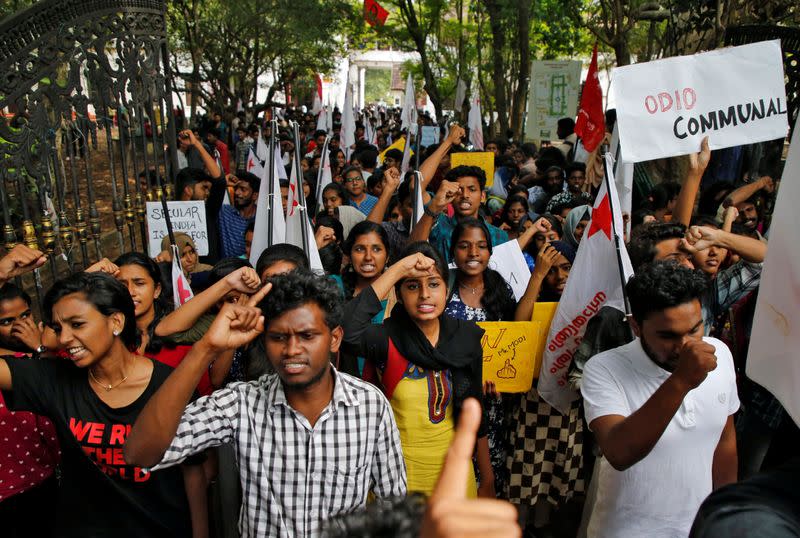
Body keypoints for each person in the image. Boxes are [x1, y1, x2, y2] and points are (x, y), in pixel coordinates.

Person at [123, 270, 407, 537]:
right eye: (278, 337)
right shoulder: (241, 403)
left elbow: (392, 506)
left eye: (307, 336)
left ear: (334, 339)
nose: (292, 350)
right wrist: (206, 348)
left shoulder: (369, 406)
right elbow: (141, 454)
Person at [0, 272, 192, 537]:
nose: (65, 338)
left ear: (115, 321)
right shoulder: (55, 379)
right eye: (58, 328)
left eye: (77, 324)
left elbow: (194, 472)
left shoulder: (168, 384)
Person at [581, 261, 738, 538]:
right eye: (668, 336)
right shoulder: (603, 369)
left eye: (694, 329)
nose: (686, 346)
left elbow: (724, 441)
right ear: (636, 326)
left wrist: (724, 516)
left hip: (697, 529)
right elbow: (619, 452)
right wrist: (681, 381)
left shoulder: (720, 354)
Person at [341, 242, 494, 498]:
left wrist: (487, 477)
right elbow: (347, 330)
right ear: (399, 294)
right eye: (412, 286)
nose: (424, 294)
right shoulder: (386, 338)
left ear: (447, 290)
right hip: (396, 476)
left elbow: (475, 408)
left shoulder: (465, 338)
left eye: (434, 284)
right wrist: (399, 269)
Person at [0, 283, 61, 538]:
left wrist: (39, 349)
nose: (19, 326)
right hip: (6, 493)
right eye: (6, 321)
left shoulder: (48, 354)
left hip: (43, 483)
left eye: (25, 315)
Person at [411, 165, 509, 264]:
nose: (465, 195)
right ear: (450, 194)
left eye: (472, 189)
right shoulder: (437, 227)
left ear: (483, 196)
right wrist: (435, 204)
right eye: (459, 190)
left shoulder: (499, 236)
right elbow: (412, 252)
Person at [218, 171, 259, 258]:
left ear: (255, 195)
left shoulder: (262, 218)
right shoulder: (224, 212)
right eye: (236, 188)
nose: (237, 192)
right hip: (227, 268)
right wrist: (223, 182)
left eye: (243, 189)